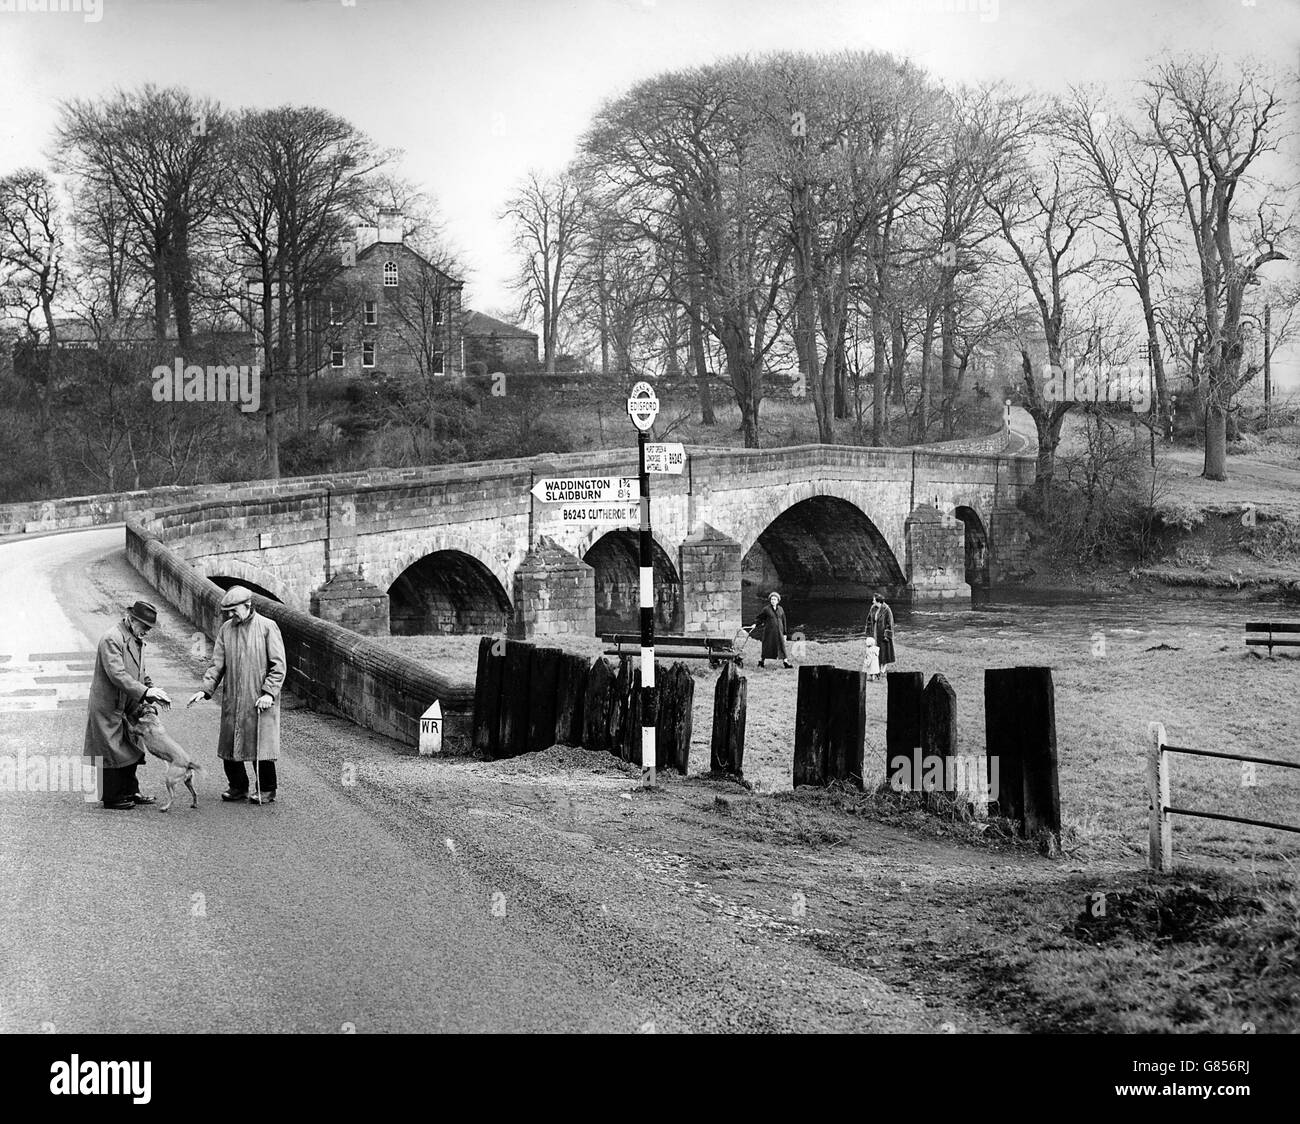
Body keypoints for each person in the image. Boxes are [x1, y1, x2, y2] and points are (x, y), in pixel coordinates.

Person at [187, 585, 286, 805]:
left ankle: (267, 790)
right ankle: (238, 787)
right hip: (233, 697)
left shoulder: (268, 627)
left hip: (259, 698)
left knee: (261, 747)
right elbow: (217, 664)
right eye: (227, 612)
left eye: (234, 610)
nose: (230, 615)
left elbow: (278, 666)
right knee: (229, 745)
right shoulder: (226, 629)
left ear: (248, 606)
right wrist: (205, 690)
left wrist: (269, 692)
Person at [83, 601, 172, 809]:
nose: (147, 632)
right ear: (132, 620)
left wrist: (152, 690)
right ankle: (111, 797)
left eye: (149, 628)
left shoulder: (134, 638)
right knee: (110, 751)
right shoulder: (111, 638)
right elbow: (117, 674)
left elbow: (140, 672)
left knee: (130, 746)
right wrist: (146, 692)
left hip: (128, 702)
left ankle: (131, 791)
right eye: (145, 627)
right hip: (108, 704)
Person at [753, 591, 793, 669]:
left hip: (779, 632)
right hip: (769, 632)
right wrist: (755, 624)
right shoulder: (766, 609)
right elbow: (760, 618)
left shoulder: (781, 609)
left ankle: (785, 662)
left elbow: (784, 621)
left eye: (774, 599)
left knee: (782, 646)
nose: (773, 601)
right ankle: (761, 661)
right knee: (766, 646)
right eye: (771, 599)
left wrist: (785, 634)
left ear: (778, 601)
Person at [867, 593, 896, 671]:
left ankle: (883, 668)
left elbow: (890, 623)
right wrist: (869, 632)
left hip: (883, 634)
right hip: (875, 632)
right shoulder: (873, 608)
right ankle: (876, 666)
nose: (872, 601)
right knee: (875, 650)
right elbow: (869, 620)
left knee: (884, 651)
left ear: (878, 601)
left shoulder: (886, 609)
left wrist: (887, 635)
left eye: (873, 599)